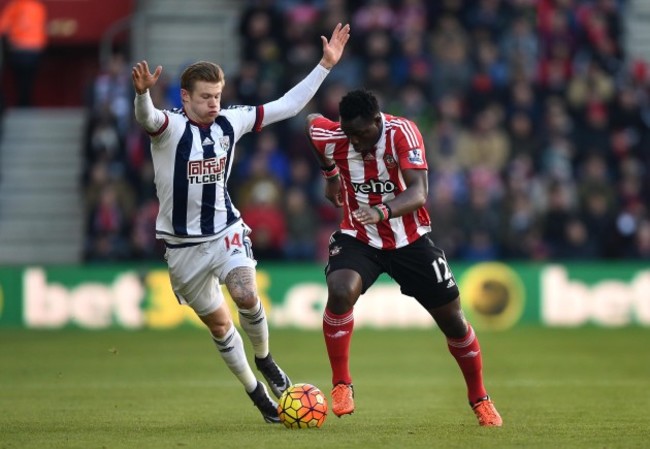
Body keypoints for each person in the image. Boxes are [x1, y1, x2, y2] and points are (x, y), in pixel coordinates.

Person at [131, 23, 350, 423]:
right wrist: (143, 93)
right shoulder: (169, 128)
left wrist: (324, 65)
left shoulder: (231, 121)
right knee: (219, 325)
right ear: (185, 96)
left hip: (226, 230)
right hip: (182, 248)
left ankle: (266, 360)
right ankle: (257, 394)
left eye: (218, 95)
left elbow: (286, 106)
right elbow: (145, 118)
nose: (214, 103)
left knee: (246, 295)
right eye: (205, 97)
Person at [305, 89, 503, 427]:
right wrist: (330, 177)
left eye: (362, 133)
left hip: (409, 239)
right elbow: (312, 125)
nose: (355, 141)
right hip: (359, 237)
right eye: (349, 133)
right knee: (339, 291)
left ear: (377, 120)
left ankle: (479, 398)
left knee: (454, 321)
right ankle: (341, 384)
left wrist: (382, 211)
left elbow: (418, 192)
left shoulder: (402, 133)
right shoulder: (335, 135)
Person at [0, 0, 47, 106]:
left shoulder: (15, 6)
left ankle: (22, 103)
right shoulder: (38, 7)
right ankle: (27, 103)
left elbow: (2, 26)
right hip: (35, 49)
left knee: (19, 79)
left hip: (18, 48)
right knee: (30, 79)